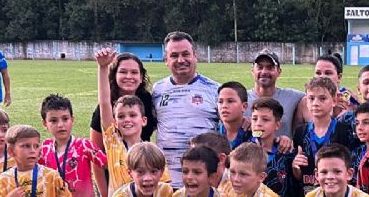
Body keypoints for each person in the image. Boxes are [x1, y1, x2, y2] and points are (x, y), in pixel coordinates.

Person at [152, 31, 219, 187]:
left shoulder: (214, 89)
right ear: (166, 60)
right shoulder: (158, 90)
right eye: (174, 55)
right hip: (166, 182)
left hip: (203, 182)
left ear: (195, 56)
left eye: (185, 54)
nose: (181, 60)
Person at [39, 94, 107, 197]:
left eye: (65, 119)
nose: (60, 125)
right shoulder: (43, 149)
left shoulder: (84, 145)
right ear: (45, 123)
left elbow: (108, 164)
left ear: (72, 119)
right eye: (53, 120)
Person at [89, 51, 155, 155]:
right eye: (123, 72)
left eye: (134, 72)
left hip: (142, 165)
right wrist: (103, 67)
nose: (129, 76)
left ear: (141, 77)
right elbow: (95, 151)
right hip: (114, 167)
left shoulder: (147, 99)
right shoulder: (105, 108)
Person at [246, 49, 305, 138]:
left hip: (283, 150)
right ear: (252, 71)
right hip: (251, 150)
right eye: (260, 67)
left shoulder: (293, 97)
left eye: (270, 67)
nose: (264, 72)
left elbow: (315, 97)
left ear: (279, 72)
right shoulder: (241, 99)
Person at [216, 82, 250, 149]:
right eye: (220, 102)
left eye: (230, 101)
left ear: (244, 106)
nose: (224, 106)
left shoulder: (254, 134)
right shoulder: (213, 135)